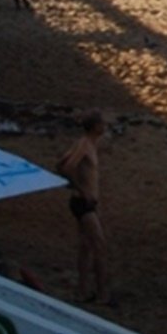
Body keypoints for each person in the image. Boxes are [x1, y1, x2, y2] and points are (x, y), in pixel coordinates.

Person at [57, 111, 112, 305]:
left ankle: (81, 291)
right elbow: (68, 167)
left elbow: (61, 164)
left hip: (83, 201)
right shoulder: (85, 145)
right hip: (84, 203)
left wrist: (72, 184)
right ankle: (102, 294)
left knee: (85, 247)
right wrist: (82, 189)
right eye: (102, 123)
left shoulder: (84, 144)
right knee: (99, 246)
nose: (105, 126)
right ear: (95, 126)